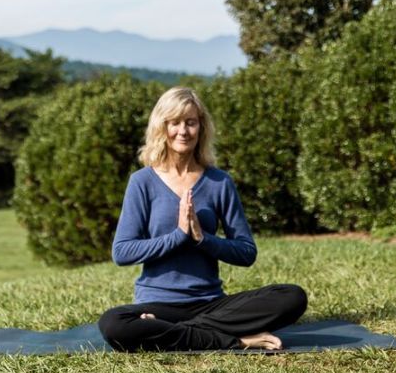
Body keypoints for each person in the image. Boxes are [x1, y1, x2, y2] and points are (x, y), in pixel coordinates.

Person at [98, 86, 307, 352]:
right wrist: (178, 235)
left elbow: (246, 252)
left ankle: (172, 331)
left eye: (190, 123)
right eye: (174, 123)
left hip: (210, 303)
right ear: (162, 127)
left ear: (201, 128)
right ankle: (234, 340)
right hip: (158, 304)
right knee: (113, 324)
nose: (182, 131)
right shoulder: (142, 182)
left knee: (292, 296)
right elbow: (122, 252)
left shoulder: (219, 182)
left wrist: (202, 238)